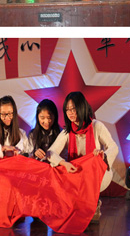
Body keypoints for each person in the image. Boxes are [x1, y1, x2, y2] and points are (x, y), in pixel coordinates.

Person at [48, 91, 119, 221]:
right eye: (67, 109)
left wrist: (103, 156)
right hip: (77, 173)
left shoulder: (96, 126)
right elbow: (50, 152)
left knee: (91, 219)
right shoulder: (67, 132)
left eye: (73, 109)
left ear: (81, 107)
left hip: (96, 174)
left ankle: (94, 202)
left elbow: (113, 147)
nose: (70, 113)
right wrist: (64, 163)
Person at [0, 95, 30, 162]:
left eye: (9, 113)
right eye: (3, 114)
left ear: (14, 113)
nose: (7, 117)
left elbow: (28, 156)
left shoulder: (22, 134)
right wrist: (2, 148)